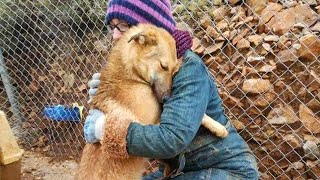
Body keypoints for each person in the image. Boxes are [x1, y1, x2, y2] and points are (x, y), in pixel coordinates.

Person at [84, 0, 259, 179]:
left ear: (147, 32)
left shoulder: (189, 69)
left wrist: (104, 129)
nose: (115, 35)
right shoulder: (146, 65)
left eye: (123, 26)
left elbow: (170, 140)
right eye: (112, 27)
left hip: (227, 170)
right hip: (178, 172)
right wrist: (109, 93)